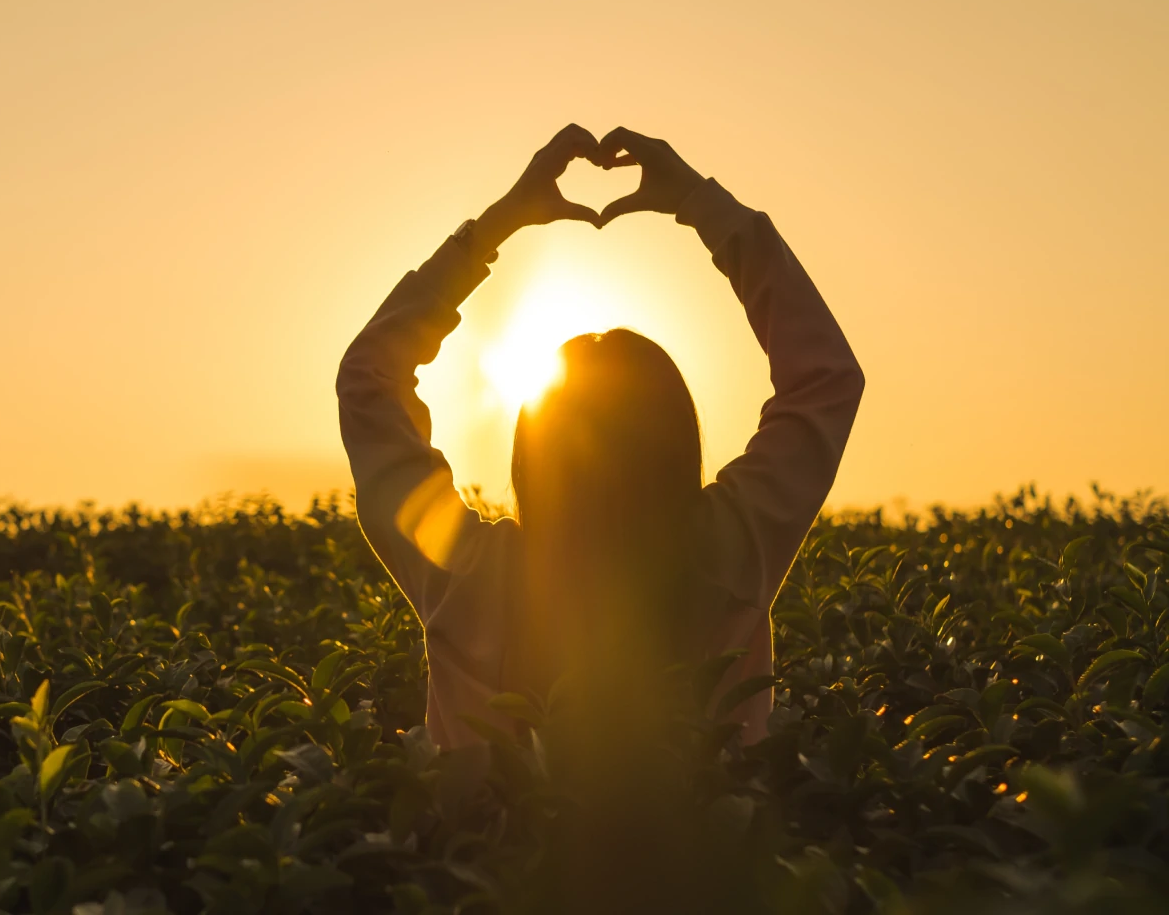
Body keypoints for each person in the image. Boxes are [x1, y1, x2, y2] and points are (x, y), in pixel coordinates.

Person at [336, 123, 863, 751]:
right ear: (676, 442)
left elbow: (370, 381)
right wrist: (704, 208)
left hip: (480, 852)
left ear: (532, 454)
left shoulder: (468, 575)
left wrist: (496, 227)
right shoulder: (731, 548)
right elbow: (824, 378)